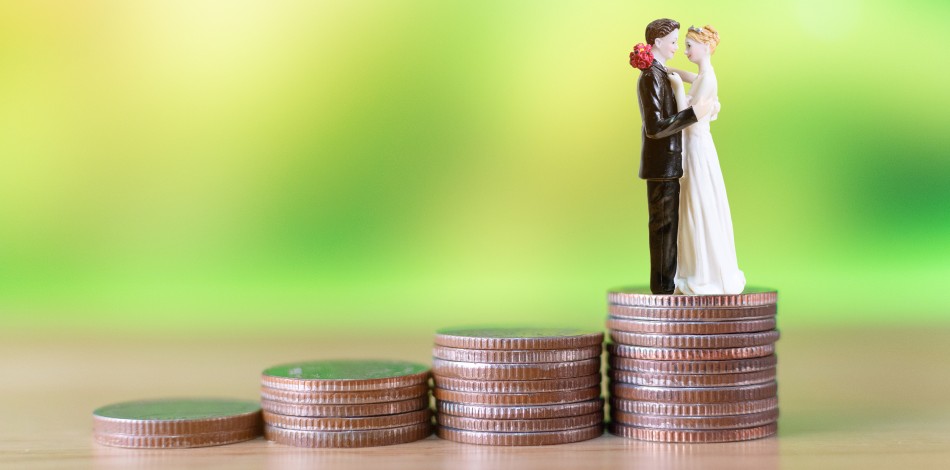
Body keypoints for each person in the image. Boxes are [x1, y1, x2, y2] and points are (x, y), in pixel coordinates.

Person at [632, 18, 712, 295]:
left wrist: (691, 78)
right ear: (657, 42)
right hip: (661, 166)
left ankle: (667, 285)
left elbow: (669, 73)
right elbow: (654, 128)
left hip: (668, 165)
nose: (677, 47)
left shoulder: (658, 71)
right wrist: (693, 115)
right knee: (664, 228)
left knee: (668, 227)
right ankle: (663, 291)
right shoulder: (649, 78)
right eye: (674, 42)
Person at [666, 25, 746, 295]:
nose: (685, 51)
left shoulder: (709, 79)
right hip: (696, 144)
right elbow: (695, 79)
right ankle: (693, 266)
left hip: (696, 145)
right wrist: (676, 72)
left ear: (705, 47)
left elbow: (686, 116)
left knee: (697, 201)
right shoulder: (704, 75)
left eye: (689, 46)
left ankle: (702, 271)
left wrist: (676, 86)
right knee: (692, 201)